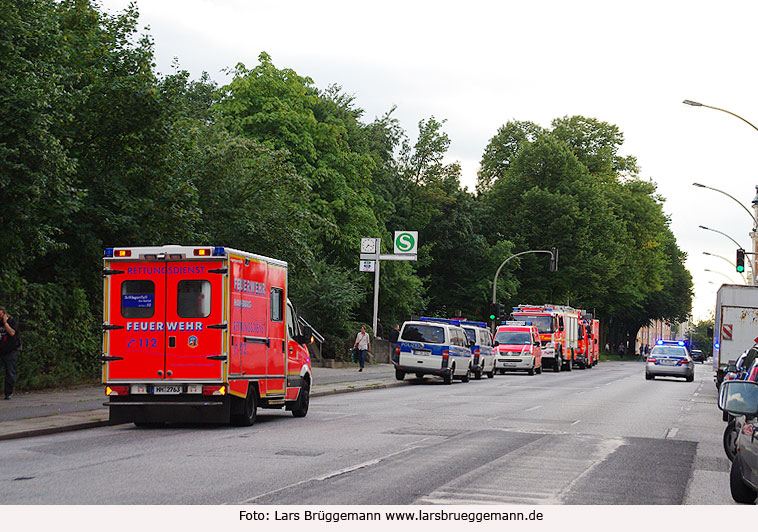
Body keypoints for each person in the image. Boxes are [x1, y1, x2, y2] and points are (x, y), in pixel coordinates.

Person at [0, 306, 20, 400]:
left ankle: (8, 392)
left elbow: (12, 333)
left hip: (10, 351)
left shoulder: (12, 322)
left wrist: (5, 323)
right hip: (1, 350)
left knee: (10, 372)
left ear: (4, 313)